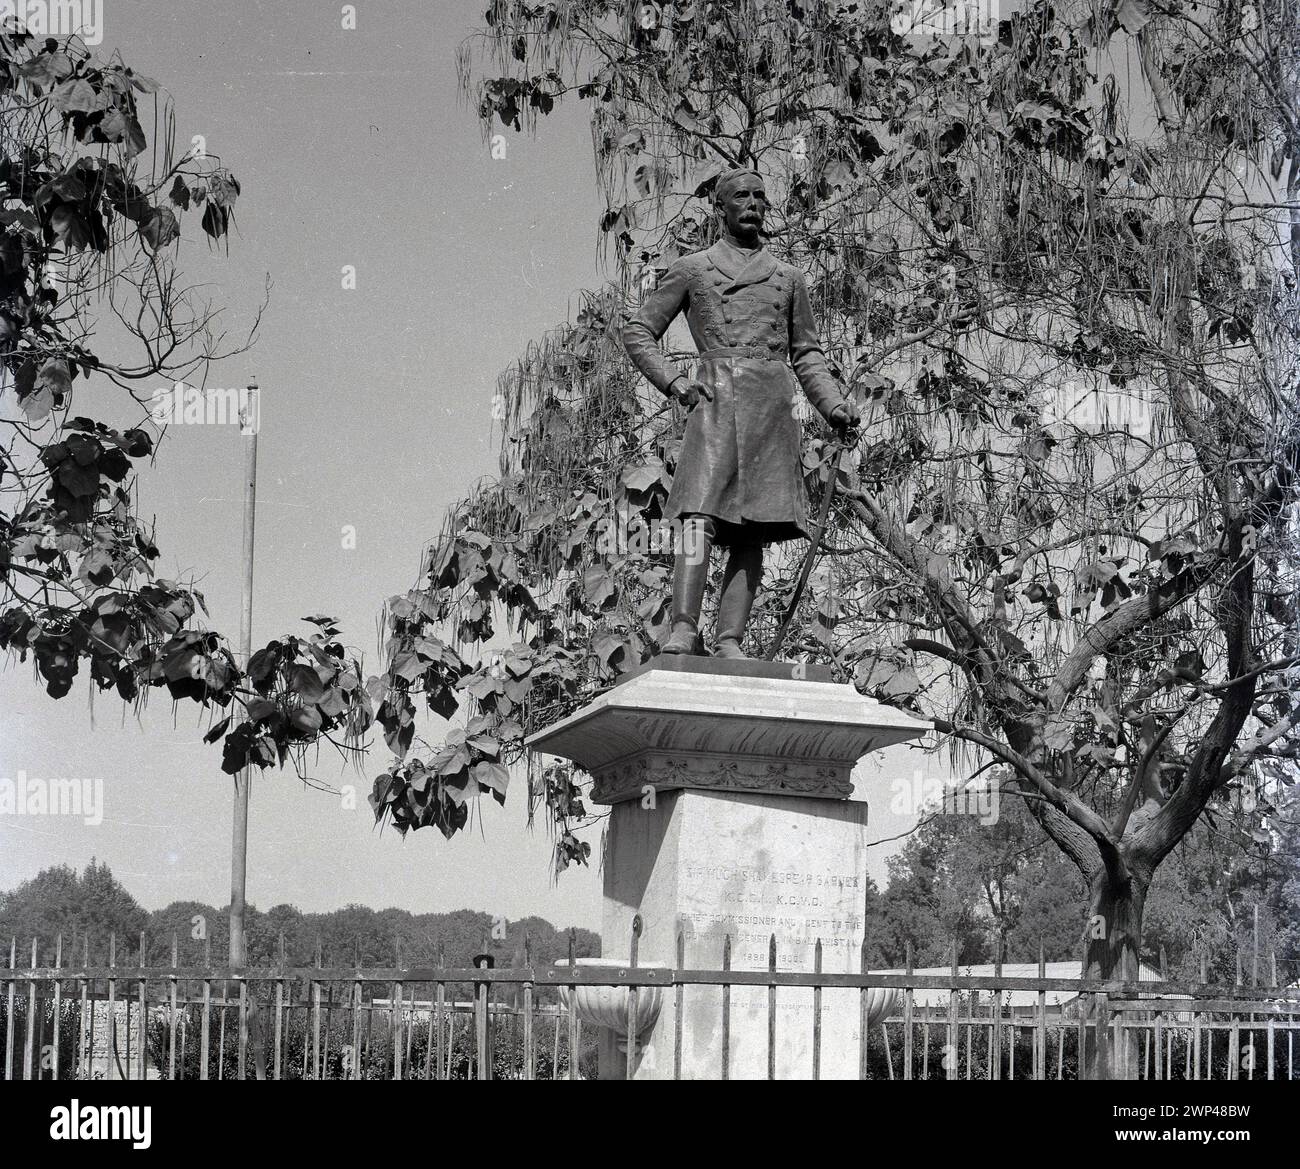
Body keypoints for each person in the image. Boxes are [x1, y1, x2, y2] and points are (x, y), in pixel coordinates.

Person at [621, 167, 859, 658]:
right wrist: (675, 381)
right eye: (741, 196)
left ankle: (730, 640)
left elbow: (807, 354)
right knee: (698, 517)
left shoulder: (789, 278)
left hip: (772, 408)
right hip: (713, 401)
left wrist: (833, 405)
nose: (752, 203)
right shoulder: (694, 268)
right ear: (720, 208)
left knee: (756, 527)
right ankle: (684, 629)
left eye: (759, 196)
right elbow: (638, 331)